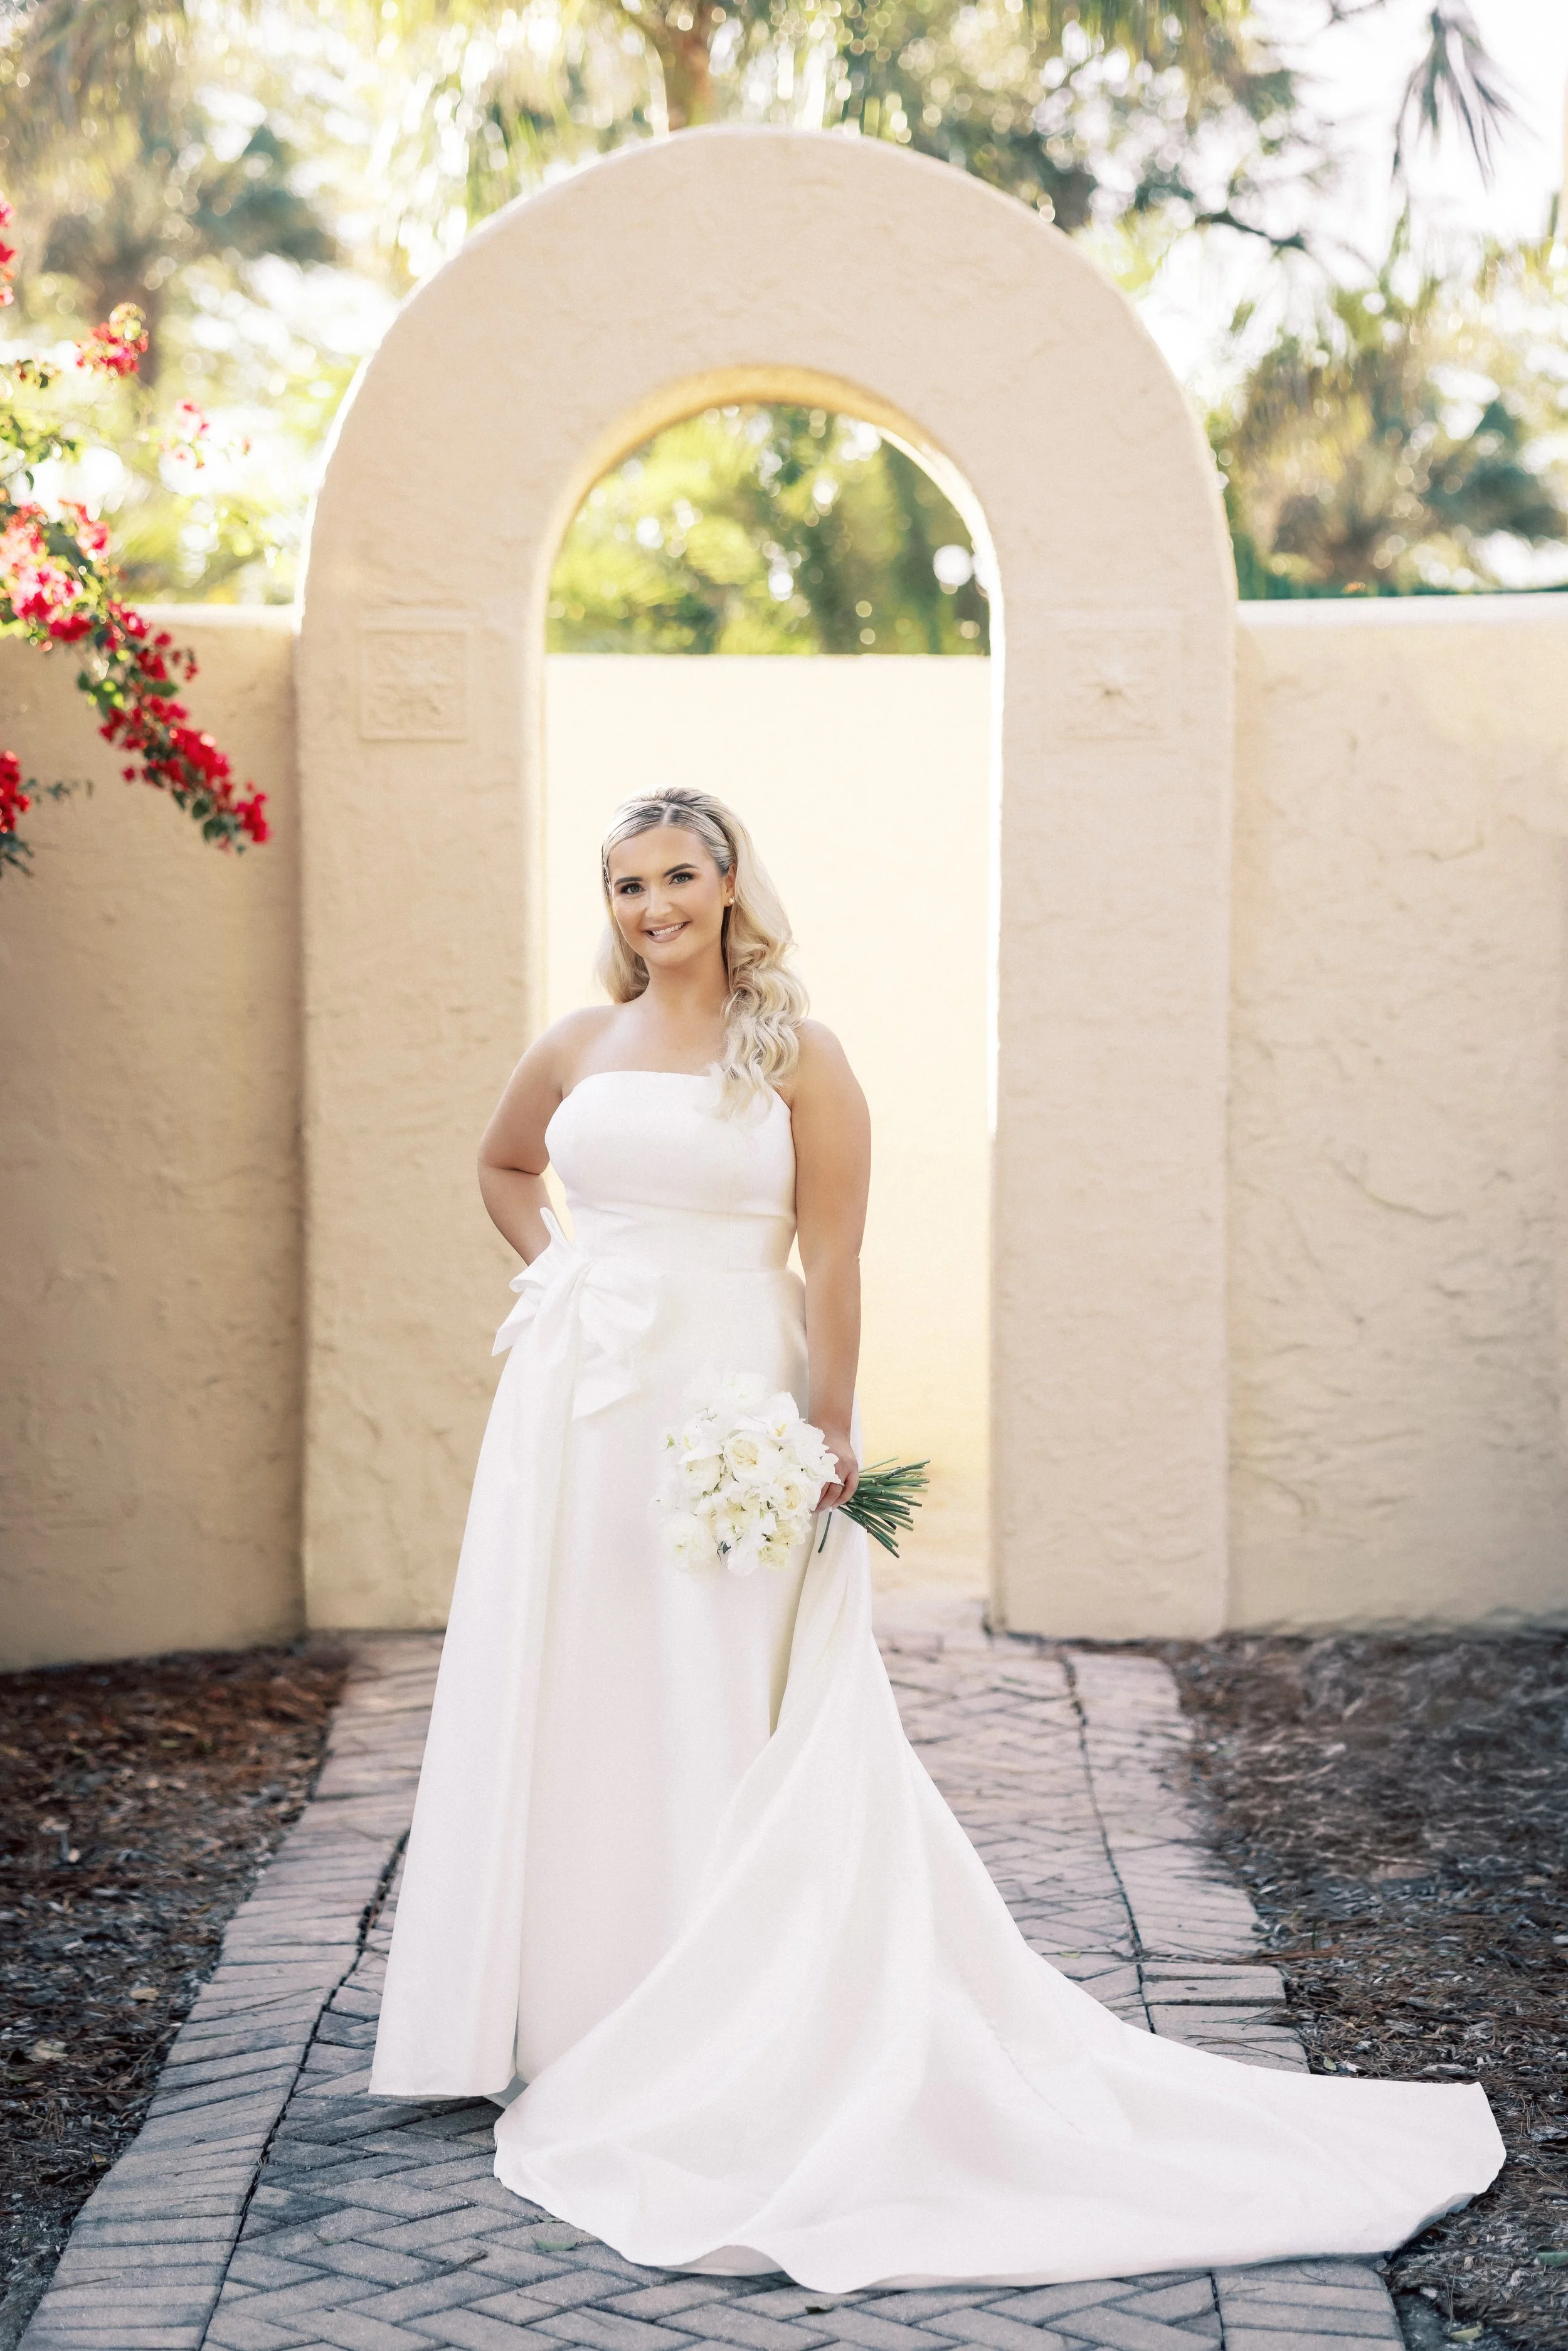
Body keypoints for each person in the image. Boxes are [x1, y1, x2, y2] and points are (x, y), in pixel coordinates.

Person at [370, 785, 1502, 2291]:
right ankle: (569, 2009)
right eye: (628, 882)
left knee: (718, 1693)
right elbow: (507, 1167)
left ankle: (719, 2014)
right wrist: (561, 1276)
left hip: (727, 1401)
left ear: (727, 884)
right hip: (578, 1404)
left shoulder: (799, 1056)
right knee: (578, 1684)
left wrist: (826, 1430)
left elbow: (832, 1255)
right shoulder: (574, 1044)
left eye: (680, 876)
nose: (653, 905)